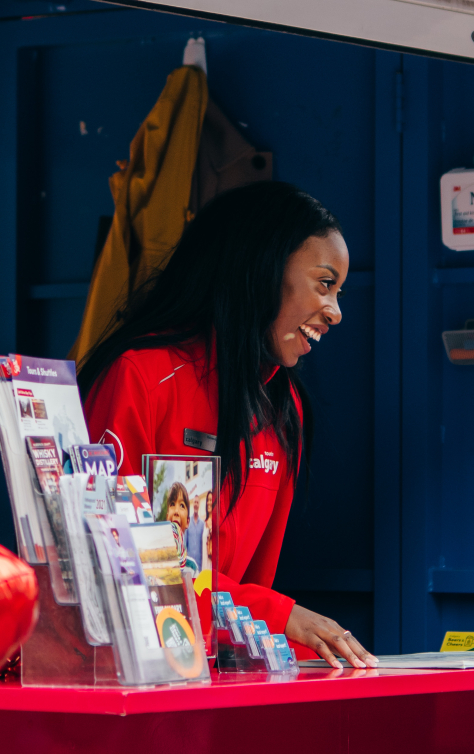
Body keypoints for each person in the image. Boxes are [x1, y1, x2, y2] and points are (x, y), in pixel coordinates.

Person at [80, 181, 374, 667]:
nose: (336, 312)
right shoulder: (142, 377)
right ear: (261, 268)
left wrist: (270, 628)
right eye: (325, 284)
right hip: (130, 672)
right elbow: (115, 562)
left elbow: (253, 591)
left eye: (339, 292)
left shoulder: (284, 408)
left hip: (218, 674)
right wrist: (278, 615)